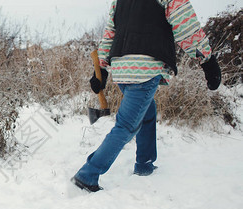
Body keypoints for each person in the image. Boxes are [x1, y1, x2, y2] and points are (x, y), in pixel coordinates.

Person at [71, 0, 221, 192]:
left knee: (147, 110)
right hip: (145, 68)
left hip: (122, 68)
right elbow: (187, 27)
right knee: (126, 125)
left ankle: (145, 163)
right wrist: (207, 60)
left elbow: (110, 33)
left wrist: (102, 69)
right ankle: (87, 175)